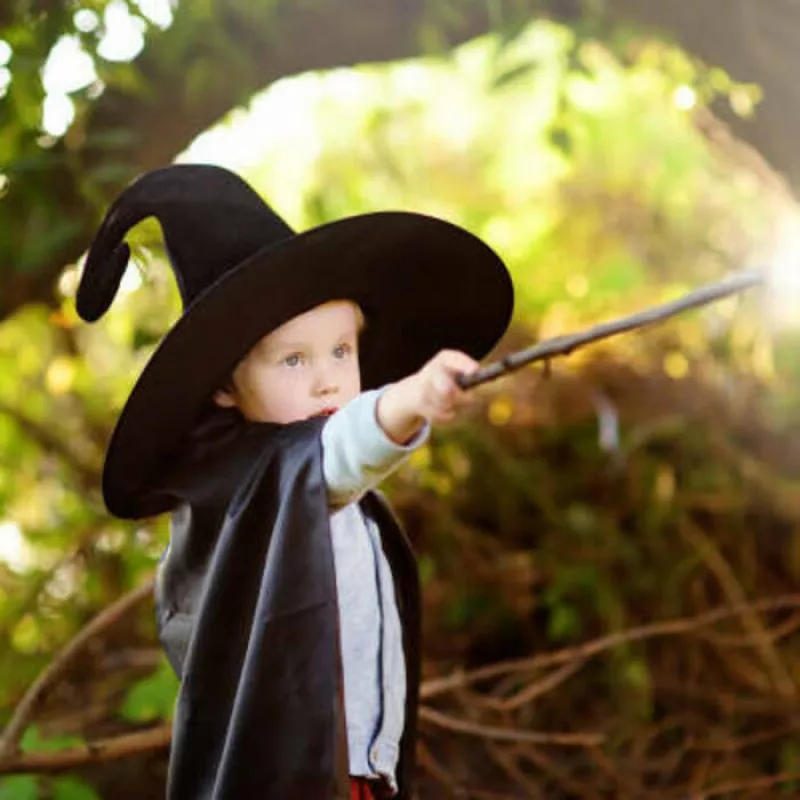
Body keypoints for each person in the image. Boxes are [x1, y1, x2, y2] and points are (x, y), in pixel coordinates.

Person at [76, 163, 513, 799]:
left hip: (360, 766)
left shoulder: (301, 478)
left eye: (341, 350)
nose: (328, 380)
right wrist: (411, 398)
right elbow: (338, 453)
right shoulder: (248, 479)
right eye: (293, 360)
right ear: (225, 386)